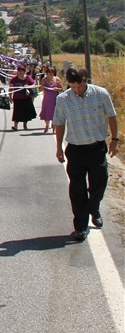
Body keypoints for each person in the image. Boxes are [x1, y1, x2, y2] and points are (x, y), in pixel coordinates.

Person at [52, 67, 118, 242]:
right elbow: (59, 123)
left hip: (96, 148)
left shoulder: (100, 94)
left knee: (100, 181)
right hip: (75, 149)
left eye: (79, 86)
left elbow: (111, 116)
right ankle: (80, 226)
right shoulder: (63, 99)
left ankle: (94, 207)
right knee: (77, 188)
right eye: (73, 87)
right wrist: (59, 147)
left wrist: (115, 140)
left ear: (85, 80)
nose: (76, 90)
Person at [9, 65, 37, 130]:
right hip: (17, 98)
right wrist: (10, 97)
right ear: (17, 71)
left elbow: (33, 84)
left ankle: (25, 125)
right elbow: (10, 88)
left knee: (26, 112)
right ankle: (15, 125)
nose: (21, 72)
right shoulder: (14, 79)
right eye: (20, 71)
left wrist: (28, 86)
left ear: (25, 71)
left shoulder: (28, 78)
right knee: (16, 112)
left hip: (26, 98)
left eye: (22, 71)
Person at [39, 66, 63, 134]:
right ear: (47, 73)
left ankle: (54, 127)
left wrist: (57, 89)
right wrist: (42, 87)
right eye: (49, 72)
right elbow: (40, 89)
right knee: (46, 112)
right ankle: (47, 125)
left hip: (54, 99)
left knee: (54, 113)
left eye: (52, 72)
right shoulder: (44, 79)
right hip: (46, 99)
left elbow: (61, 88)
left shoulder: (57, 79)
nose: (51, 73)